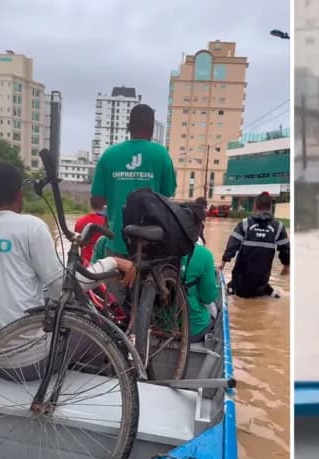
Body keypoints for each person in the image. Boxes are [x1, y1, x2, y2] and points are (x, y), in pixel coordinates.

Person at [0, 162, 136, 377]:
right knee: (97, 331)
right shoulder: (30, 227)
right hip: (27, 363)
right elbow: (62, 288)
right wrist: (112, 262)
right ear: (20, 194)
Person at [91, 103, 177, 257]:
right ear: (152, 129)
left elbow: (96, 201)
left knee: (113, 280)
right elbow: (167, 196)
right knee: (151, 280)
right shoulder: (162, 155)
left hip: (116, 242)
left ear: (128, 127)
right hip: (151, 245)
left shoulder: (109, 154)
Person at [220, 192, 290, 298]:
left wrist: (223, 263)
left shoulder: (244, 224)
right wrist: (286, 266)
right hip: (261, 283)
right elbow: (286, 251)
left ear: (255, 206)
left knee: (233, 296)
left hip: (240, 283)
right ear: (271, 207)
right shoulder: (278, 227)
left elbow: (232, 246)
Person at [179, 202, 219, 342]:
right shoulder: (204, 255)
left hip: (159, 327)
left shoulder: (157, 251)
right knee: (213, 314)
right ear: (198, 227)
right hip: (193, 328)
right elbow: (207, 297)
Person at [73, 196, 108, 266]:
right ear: (105, 204)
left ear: (90, 204)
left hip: (84, 264)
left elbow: (78, 242)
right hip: (102, 264)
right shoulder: (108, 222)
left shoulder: (80, 221)